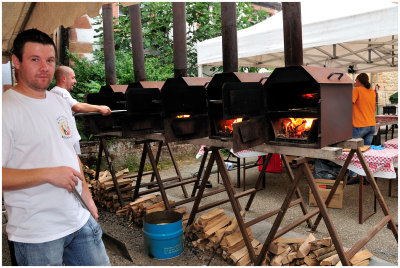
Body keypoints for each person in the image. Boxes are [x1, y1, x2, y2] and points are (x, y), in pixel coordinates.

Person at [2, 29, 110, 266]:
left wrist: (88, 197)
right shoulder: (5, 110)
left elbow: (70, 152)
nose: (44, 67)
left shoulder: (58, 102)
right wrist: (48, 174)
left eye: (49, 60)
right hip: (37, 234)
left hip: (79, 220)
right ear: (16, 61)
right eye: (35, 59)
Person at [50, 66, 111, 154]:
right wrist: (100, 108)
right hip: (66, 138)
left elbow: (77, 105)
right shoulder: (60, 92)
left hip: (64, 137)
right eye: (73, 78)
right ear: (64, 78)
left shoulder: (54, 92)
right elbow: (77, 107)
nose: (75, 81)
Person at [347, 73, 376, 185]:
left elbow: (348, 104)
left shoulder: (357, 90)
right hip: (371, 126)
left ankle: (354, 175)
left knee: (353, 152)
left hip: (359, 125)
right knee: (365, 153)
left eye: (355, 80)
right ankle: (364, 176)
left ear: (358, 80)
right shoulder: (371, 92)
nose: (354, 82)